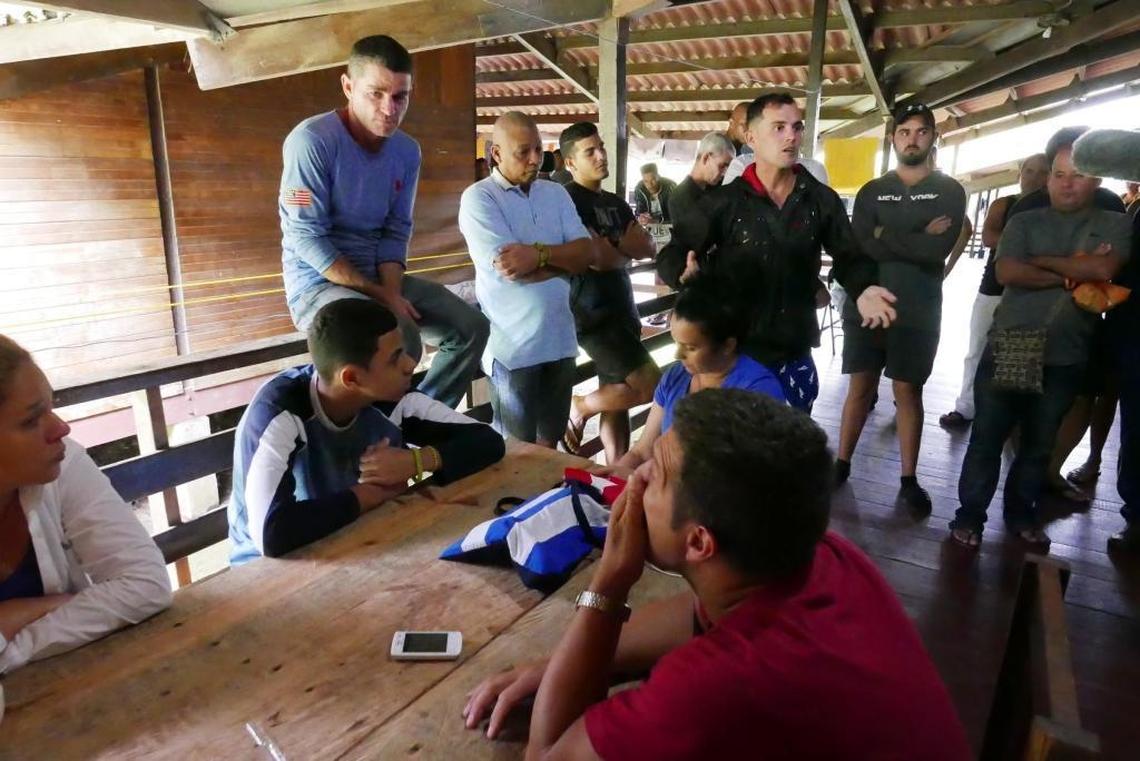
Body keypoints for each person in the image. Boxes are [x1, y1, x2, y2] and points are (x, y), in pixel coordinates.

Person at [462, 389, 971, 761]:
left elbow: (547, 757)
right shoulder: (822, 557)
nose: (633, 479)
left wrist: (610, 582)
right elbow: (691, 615)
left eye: (654, 474)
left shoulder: (717, 686)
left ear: (700, 542)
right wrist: (557, 668)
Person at [279, 35, 489, 408]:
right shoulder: (312, 141)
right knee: (401, 337)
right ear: (348, 86)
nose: (388, 109)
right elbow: (304, 234)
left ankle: (420, 416)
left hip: (379, 279)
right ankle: (386, 431)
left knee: (470, 327)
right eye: (375, 94)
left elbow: (396, 230)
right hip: (317, 285)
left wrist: (390, 291)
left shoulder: (407, 152)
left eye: (399, 96)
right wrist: (384, 297)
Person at [658, 92, 897, 412]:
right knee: (732, 446)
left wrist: (864, 287)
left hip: (793, 347)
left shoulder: (819, 199)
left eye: (797, 128)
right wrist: (680, 272)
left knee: (788, 450)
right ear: (751, 136)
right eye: (779, 127)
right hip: (735, 349)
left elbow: (850, 255)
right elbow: (677, 250)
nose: (791, 136)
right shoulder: (724, 202)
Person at [950, 143, 1132, 550]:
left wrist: (1044, 262)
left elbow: (1104, 269)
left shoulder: (1114, 222)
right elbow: (1009, 271)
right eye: (1060, 175)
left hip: (1067, 353)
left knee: (1039, 443)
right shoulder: (1024, 220)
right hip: (1012, 342)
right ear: (1048, 178)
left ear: (1097, 179)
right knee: (987, 437)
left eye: (1079, 175)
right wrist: (1074, 273)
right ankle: (969, 516)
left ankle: (1020, 514)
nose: (1067, 184)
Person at [227, 299, 504, 565]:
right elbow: (272, 533)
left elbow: (488, 441)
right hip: (269, 572)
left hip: (356, 539)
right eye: (395, 358)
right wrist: (371, 494)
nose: (410, 364)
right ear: (352, 378)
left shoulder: (389, 397)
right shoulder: (280, 413)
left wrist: (415, 462)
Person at [0, 336, 172, 673]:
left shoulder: (64, 463)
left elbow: (146, 585)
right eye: (31, 420)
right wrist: (61, 608)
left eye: (51, 407)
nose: (61, 428)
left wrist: (11, 642)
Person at [835, 103, 967, 512]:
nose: (912, 139)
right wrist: (916, 234)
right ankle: (840, 465)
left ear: (933, 137)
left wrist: (884, 233)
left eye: (921, 131)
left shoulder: (950, 190)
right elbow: (860, 244)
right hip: (868, 303)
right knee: (860, 388)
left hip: (919, 308)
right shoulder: (872, 190)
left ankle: (909, 478)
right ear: (893, 138)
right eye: (904, 131)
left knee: (908, 390)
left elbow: (937, 250)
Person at [457, 112, 597, 446]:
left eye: (538, 149)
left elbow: (587, 255)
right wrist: (564, 261)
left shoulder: (556, 193)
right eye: (524, 151)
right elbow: (509, 269)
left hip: (561, 343)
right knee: (514, 452)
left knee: (549, 446)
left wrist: (537, 256)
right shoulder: (480, 198)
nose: (535, 159)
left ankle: (547, 499)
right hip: (513, 350)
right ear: (497, 154)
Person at [606, 277, 785, 477]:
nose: (678, 355)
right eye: (676, 342)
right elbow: (643, 451)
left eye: (691, 347)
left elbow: (743, 481)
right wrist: (605, 479)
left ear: (728, 345)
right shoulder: (676, 377)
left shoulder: (757, 391)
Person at [557, 122, 662, 463]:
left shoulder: (616, 203)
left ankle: (617, 471)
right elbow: (597, 259)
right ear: (570, 162)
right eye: (590, 152)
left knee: (616, 395)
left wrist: (616, 247)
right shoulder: (568, 201)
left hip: (623, 306)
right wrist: (622, 246)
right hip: (592, 311)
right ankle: (580, 405)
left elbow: (647, 247)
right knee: (649, 384)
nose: (601, 156)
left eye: (601, 147)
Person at [940, 154, 1050, 429]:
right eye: (1029, 171)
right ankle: (966, 406)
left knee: (1023, 356)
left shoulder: (1052, 211)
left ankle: (1012, 416)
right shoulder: (1006, 204)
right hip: (993, 289)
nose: (1034, 178)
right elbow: (990, 238)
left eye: (1042, 172)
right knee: (976, 348)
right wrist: (1039, 252)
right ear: (1021, 173)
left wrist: (1020, 250)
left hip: (1030, 293)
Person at [668, 132, 736, 227]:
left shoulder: (719, 187)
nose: (725, 173)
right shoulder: (680, 198)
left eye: (727, 167)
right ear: (706, 158)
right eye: (722, 166)